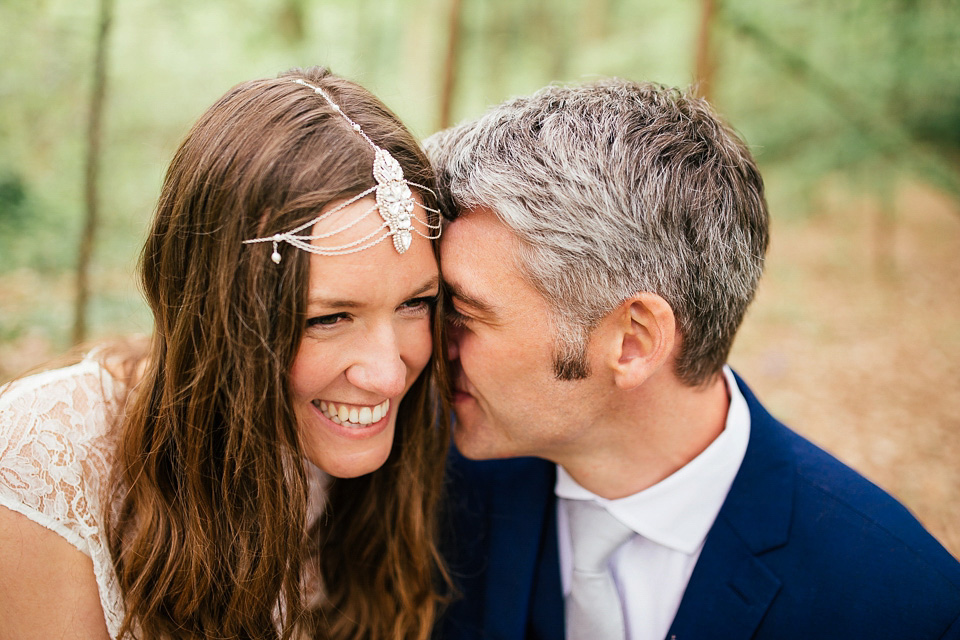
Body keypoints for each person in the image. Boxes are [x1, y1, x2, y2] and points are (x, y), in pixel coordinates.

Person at [426, 79, 960, 640]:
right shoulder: (424, 488)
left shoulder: (901, 606)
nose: (433, 347)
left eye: (462, 313)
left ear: (632, 342)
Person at [0, 67, 451, 640]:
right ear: (220, 314)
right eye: (328, 318)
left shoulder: (422, 444)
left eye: (416, 304)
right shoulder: (43, 466)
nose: (388, 375)